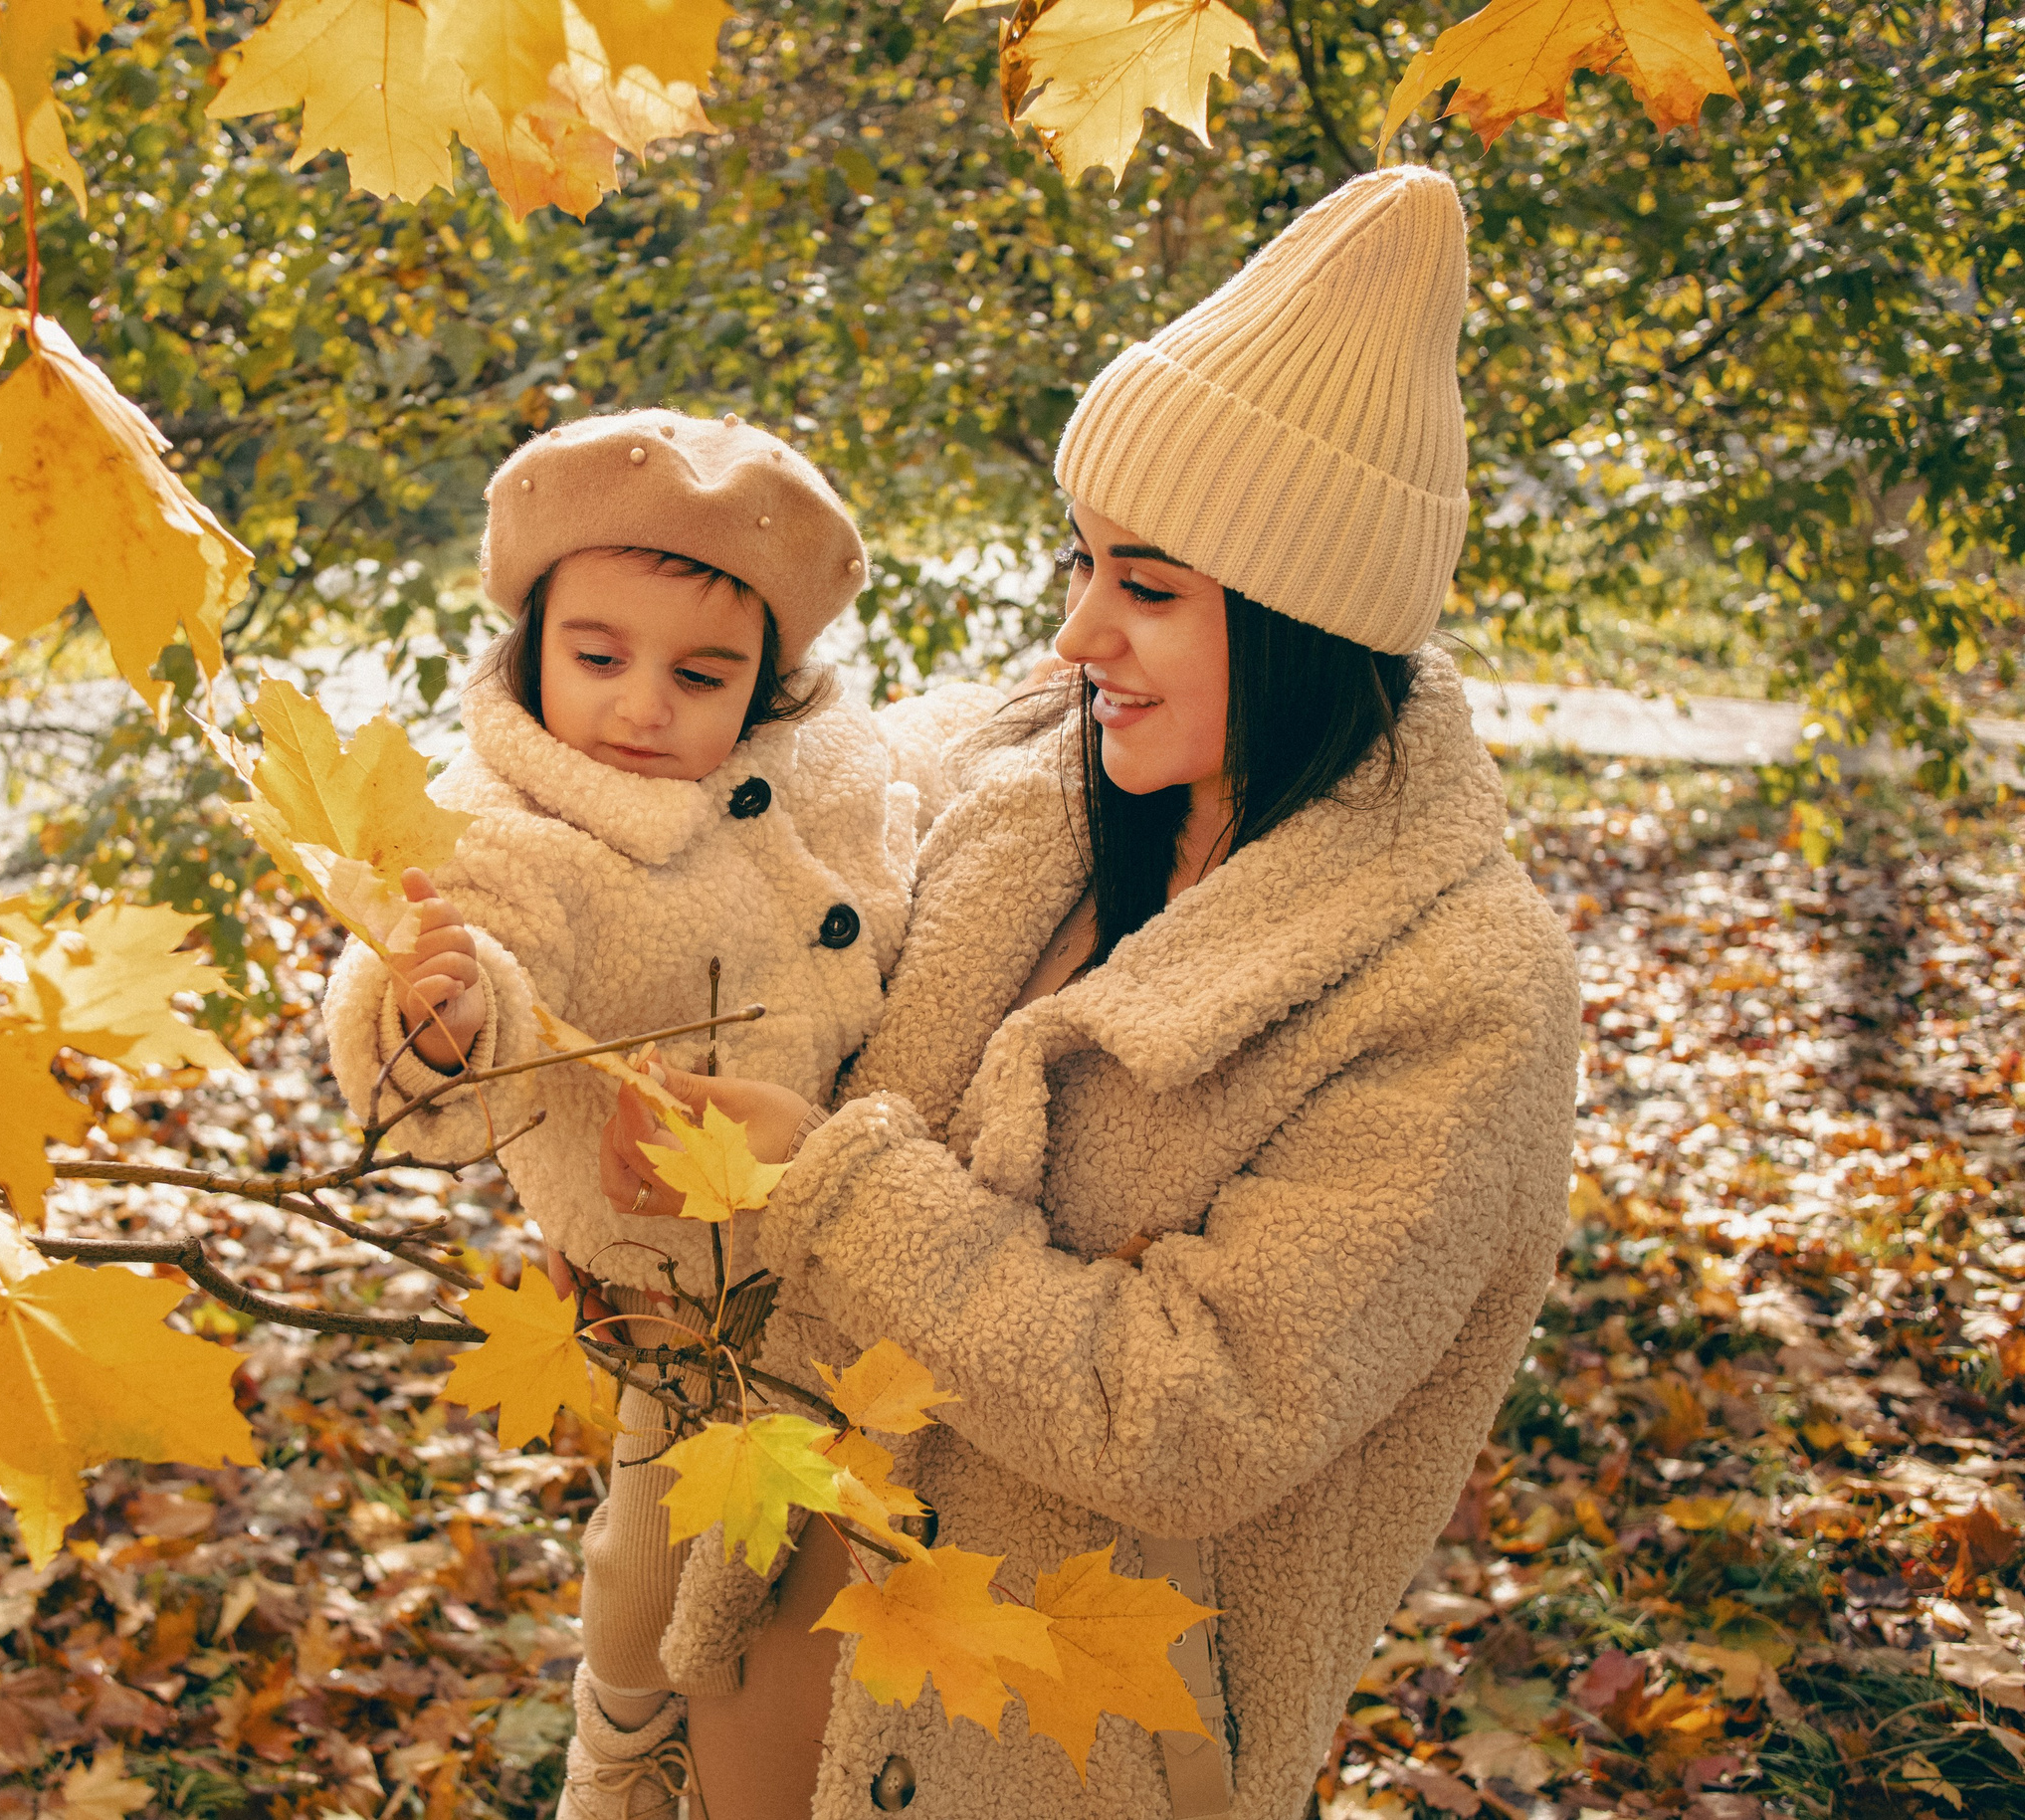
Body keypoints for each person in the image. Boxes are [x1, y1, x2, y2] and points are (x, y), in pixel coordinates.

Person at [596, 167, 1583, 1820]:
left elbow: (1190, 1414)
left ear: (1300, 618)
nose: (1075, 634)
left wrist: (830, 1180)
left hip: (1066, 1752)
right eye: (1084, 562)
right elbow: (720, 860)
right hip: (772, 1637)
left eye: (1148, 587)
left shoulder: (1461, 988)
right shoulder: (1024, 768)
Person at [320, 408, 998, 1819]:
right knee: (650, 1554)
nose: (642, 706)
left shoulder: (822, 766)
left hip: (854, 1226)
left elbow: (900, 828)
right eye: (599, 658)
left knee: (831, 1547)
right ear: (531, 643)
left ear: (766, 679)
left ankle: (805, 1741)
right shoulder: (515, 823)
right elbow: (474, 947)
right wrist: (438, 1016)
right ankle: (620, 1747)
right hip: (678, 1287)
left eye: (702, 674)